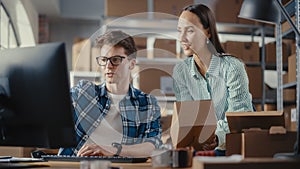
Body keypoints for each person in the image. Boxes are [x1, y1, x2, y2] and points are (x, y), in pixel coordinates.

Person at [59, 30, 162, 157]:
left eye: (115, 59)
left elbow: (152, 145)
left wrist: (114, 150)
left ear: (132, 64)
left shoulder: (147, 104)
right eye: (104, 59)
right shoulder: (83, 92)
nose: (108, 65)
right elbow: (52, 106)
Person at [173, 4, 254, 155]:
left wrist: (216, 136)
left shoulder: (232, 67)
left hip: (232, 146)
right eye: (179, 31)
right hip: (201, 147)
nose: (182, 38)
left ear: (207, 32)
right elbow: (188, 119)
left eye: (190, 30)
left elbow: (239, 114)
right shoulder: (181, 72)